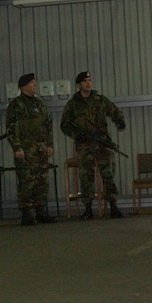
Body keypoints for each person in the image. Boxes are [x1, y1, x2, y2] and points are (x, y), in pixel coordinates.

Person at [60, 71, 126, 219]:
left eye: (90, 80)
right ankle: (88, 208)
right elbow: (64, 125)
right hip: (84, 145)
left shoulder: (99, 100)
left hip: (102, 142)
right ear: (79, 85)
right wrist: (77, 135)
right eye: (85, 81)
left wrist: (119, 120)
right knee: (86, 176)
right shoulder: (72, 105)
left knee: (108, 174)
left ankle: (113, 206)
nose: (88, 83)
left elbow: (114, 111)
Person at [6, 73, 57, 226]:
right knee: (27, 181)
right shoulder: (16, 105)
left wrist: (49, 145)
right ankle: (27, 213)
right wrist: (17, 147)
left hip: (40, 149)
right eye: (32, 83)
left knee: (42, 181)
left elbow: (47, 126)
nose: (35, 85)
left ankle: (41, 211)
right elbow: (11, 127)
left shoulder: (40, 104)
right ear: (23, 86)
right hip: (25, 150)